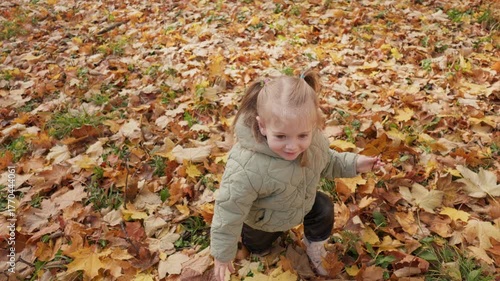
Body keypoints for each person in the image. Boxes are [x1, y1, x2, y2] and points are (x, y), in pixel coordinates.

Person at [210, 69, 382, 280]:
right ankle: (258, 244)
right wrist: (222, 254)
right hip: (263, 221)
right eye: (281, 136)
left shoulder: (311, 143)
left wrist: (356, 163)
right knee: (258, 246)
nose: (292, 146)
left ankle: (315, 246)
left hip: (300, 203)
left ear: (313, 125)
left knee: (324, 207)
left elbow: (328, 161)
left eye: (302, 135)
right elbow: (229, 210)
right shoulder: (247, 167)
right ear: (262, 126)